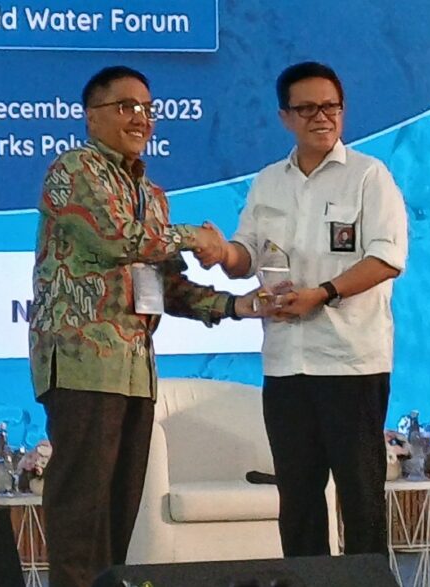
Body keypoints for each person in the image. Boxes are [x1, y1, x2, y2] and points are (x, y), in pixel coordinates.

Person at [28, 65, 258, 587]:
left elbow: (165, 285)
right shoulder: (74, 170)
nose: (141, 118)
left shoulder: (152, 195)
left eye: (148, 109)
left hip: (135, 371)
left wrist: (239, 306)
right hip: (84, 364)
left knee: (118, 522)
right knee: (81, 517)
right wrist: (196, 237)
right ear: (92, 116)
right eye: (126, 106)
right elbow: (118, 239)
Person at [196, 61, 409, 557]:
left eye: (331, 107)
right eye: (308, 108)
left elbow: (386, 258)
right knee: (298, 501)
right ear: (285, 117)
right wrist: (220, 253)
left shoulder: (369, 176)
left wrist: (323, 293)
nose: (322, 117)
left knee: (361, 499)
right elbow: (246, 255)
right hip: (286, 364)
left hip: (350, 362)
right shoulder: (269, 182)